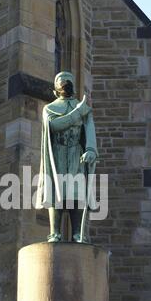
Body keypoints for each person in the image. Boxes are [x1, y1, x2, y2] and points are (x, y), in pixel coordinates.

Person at [36, 71, 98, 243]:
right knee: (57, 191)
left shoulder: (84, 109)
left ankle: (78, 233)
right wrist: (77, 113)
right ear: (56, 88)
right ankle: (55, 232)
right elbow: (54, 126)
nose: (65, 85)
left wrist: (91, 150)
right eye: (62, 83)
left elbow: (89, 130)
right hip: (57, 153)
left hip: (76, 154)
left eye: (68, 82)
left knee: (77, 193)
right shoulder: (49, 109)